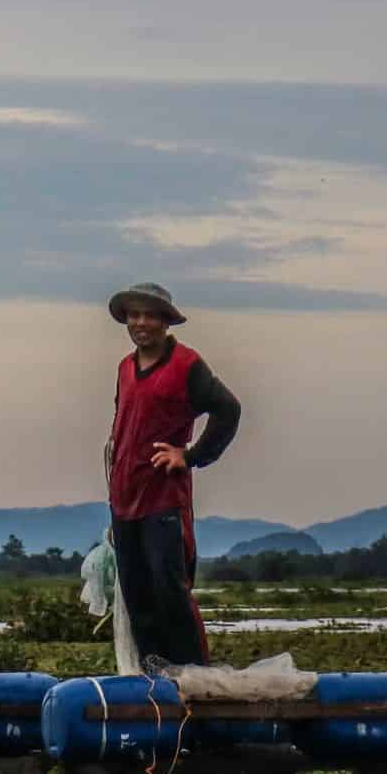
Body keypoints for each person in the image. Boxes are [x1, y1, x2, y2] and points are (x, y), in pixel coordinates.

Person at [103, 281, 242, 670]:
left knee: (170, 591)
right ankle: (155, 679)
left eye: (150, 315)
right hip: (124, 499)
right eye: (134, 315)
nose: (141, 322)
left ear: (165, 321)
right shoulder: (125, 367)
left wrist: (191, 455)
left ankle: (194, 677)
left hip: (163, 500)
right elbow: (123, 426)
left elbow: (228, 410)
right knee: (137, 596)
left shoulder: (186, 365)